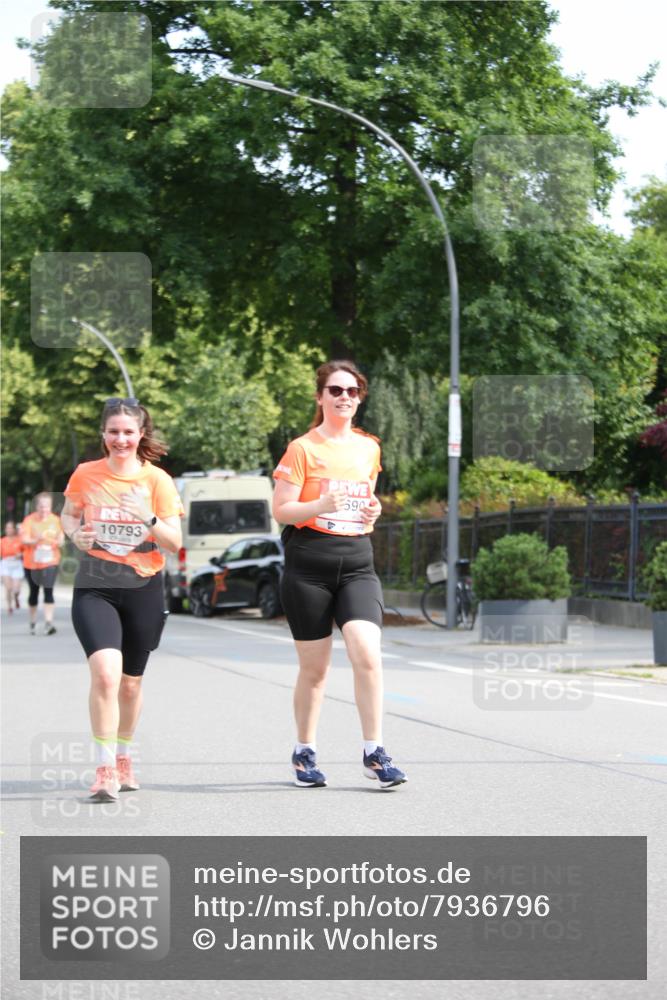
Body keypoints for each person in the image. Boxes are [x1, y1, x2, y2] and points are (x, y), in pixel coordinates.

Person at [273, 360, 407, 791]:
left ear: (360, 398)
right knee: (315, 671)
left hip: (357, 563)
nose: (344, 397)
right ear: (320, 396)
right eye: (335, 390)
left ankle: (374, 751)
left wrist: (375, 509)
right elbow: (281, 510)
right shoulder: (302, 448)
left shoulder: (369, 448)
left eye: (351, 391)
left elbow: (367, 500)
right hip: (308, 563)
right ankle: (304, 751)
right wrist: (318, 506)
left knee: (367, 652)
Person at [61, 398, 184, 803]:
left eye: (128, 432)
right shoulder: (86, 474)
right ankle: (104, 768)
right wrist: (74, 533)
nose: (120, 439)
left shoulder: (158, 481)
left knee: (130, 686)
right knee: (106, 675)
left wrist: (148, 516)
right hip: (95, 582)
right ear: (104, 435)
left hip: (142, 585)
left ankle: (125, 756)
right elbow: (68, 515)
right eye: (113, 432)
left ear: (141, 435)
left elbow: (174, 543)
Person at [20, 493, 64, 635]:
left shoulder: (56, 520)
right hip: (32, 563)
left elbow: (61, 538)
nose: (44, 509)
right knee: (34, 592)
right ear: (36, 506)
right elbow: (24, 539)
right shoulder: (29, 520)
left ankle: (48, 623)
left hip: (50, 560)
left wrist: (58, 541)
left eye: (47, 506)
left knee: (48, 590)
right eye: (41, 506)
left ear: (50, 507)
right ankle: (33, 622)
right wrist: (36, 539)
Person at [1, 520, 24, 614]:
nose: (9, 530)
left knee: (16, 589)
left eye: (11, 528)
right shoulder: (2, 541)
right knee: (8, 588)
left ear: (14, 529)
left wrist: (20, 555)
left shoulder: (19, 540)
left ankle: (16, 597)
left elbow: (25, 552)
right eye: (7, 528)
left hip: (17, 564)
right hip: (6, 564)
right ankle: (10, 606)